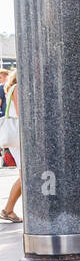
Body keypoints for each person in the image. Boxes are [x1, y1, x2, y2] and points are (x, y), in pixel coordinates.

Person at [1, 70, 21, 222]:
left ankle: (9, 209)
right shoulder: (17, 88)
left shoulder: (15, 88)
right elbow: (22, 113)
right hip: (18, 136)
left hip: (19, 137)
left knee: (25, 175)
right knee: (24, 176)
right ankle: (8, 209)